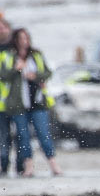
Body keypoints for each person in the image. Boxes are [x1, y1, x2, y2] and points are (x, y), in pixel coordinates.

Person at [0, 28, 60, 177]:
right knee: (23, 137)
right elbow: (3, 75)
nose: (24, 42)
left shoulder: (36, 55)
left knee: (43, 134)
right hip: (18, 104)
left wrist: (36, 76)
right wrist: (16, 69)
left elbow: (48, 72)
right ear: (15, 40)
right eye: (20, 39)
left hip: (38, 102)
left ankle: (54, 165)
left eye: (26, 38)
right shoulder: (8, 56)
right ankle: (28, 168)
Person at [0, 17, 13, 176]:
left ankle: (21, 166)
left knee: (21, 136)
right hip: (2, 103)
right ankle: (3, 164)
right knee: (2, 135)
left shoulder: (15, 50)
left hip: (17, 102)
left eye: (3, 27)